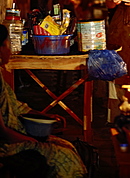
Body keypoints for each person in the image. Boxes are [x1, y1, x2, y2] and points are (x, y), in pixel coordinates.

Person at [0, 24, 87, 177]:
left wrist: (45, 116)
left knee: (68, 146)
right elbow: (2, 131)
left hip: (15, 135)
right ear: (0, 49)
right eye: (8, 45)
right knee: (64, 157)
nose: (11, 50)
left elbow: (16, 107)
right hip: (6, 146)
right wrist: (34, 143)